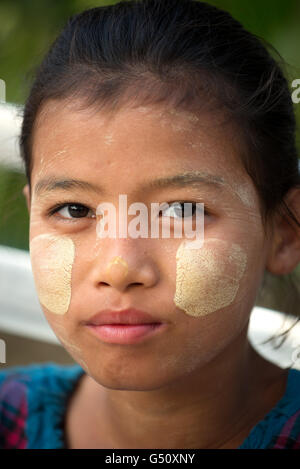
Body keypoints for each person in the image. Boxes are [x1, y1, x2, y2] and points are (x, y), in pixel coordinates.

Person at [1, 0, 300, 449]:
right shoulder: (10, 413)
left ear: (284, 233)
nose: (119, 267)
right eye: (75, 210)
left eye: (181, 211)